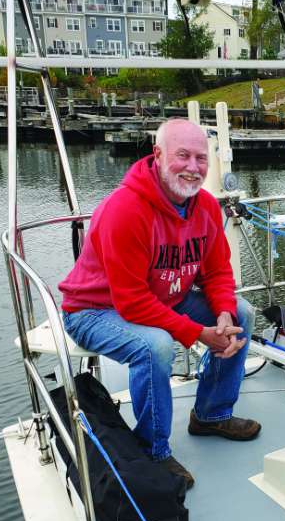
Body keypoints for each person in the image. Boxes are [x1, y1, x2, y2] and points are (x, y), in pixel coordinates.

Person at [59, 118, 260, 489]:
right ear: (158, 155)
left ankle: (211, 414)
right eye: (182, 155)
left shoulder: (204, 208)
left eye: (201, 158)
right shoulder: (125, 210)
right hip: (94, 310)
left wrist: (223, 315)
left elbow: (217, 271)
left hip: (165, 297)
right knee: (155, 346)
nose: (193, 167)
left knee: (243, 314)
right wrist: (198, 333)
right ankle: (154, 450)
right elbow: (132, 302)